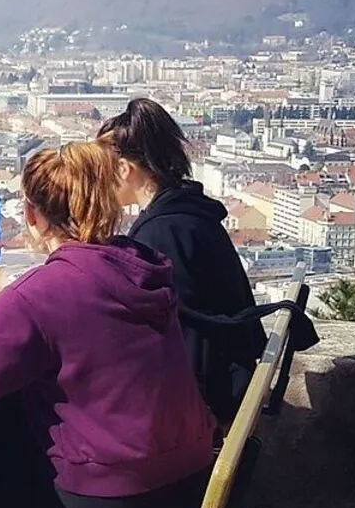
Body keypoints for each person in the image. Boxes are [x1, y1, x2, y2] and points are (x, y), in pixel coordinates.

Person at [0, 142, 217, 508]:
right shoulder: (142, 267)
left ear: (32, 215)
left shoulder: (42, 292)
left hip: (110, 493)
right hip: (186, 477)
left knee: (0, 408)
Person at [97, 98, 266, 424]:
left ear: (123, 169)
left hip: (201, 408)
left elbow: (182, 338)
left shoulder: (160, 235)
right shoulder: (189, 216)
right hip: (229, 382)